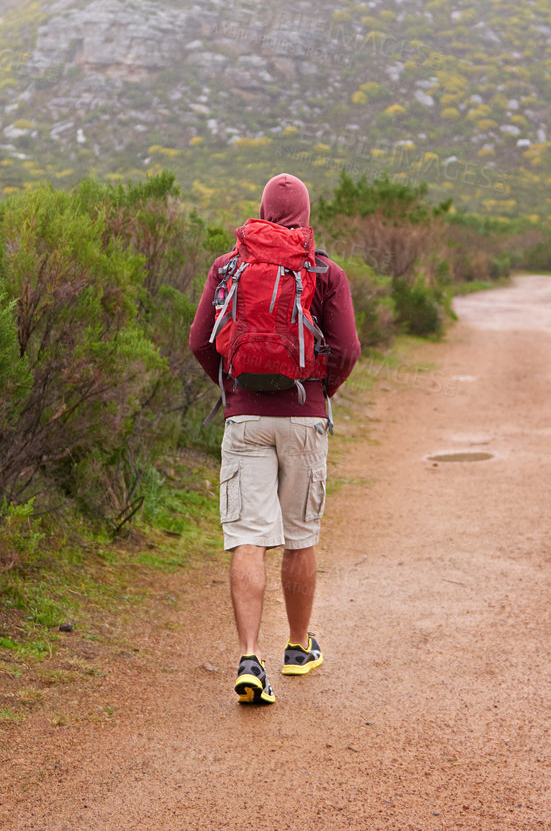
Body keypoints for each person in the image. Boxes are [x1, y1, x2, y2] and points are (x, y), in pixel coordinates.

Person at [190, 173, 361, 705]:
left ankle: (248, 658)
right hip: (305, 416)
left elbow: (200, 343)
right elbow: (348, 348)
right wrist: (319, 393)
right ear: (306, 215)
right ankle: (296, 647)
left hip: (245, 418)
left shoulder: (227, 267)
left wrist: (233, 389)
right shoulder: (326, 272)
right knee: (299, 535)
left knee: (247, 536)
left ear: (260, 210)